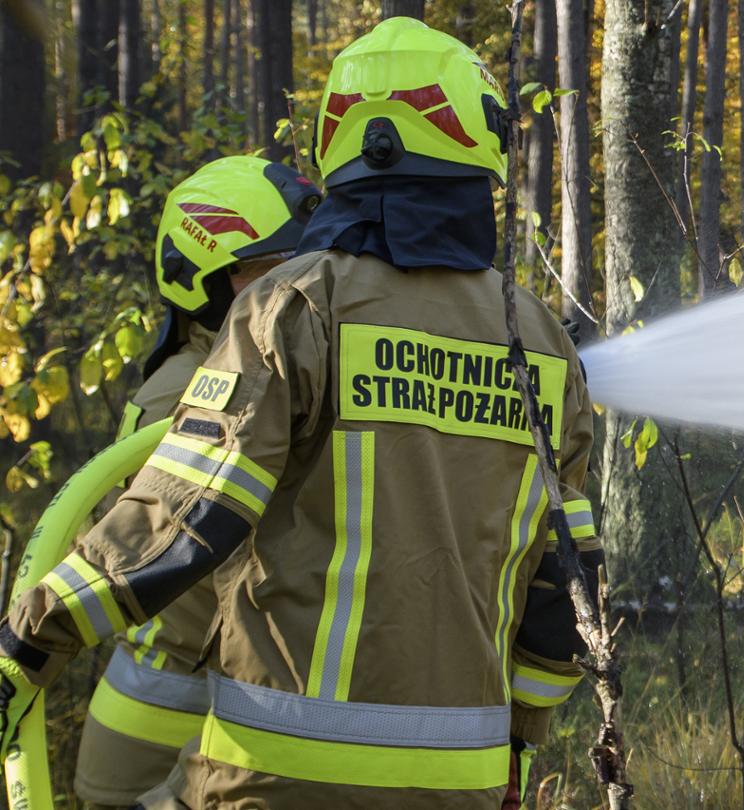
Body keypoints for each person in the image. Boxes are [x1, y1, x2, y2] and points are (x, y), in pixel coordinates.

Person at [0, 17, 601, 808]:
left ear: (351, 145)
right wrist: (522, 732)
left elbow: (186, 514)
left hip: (278, 779)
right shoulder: (543, 341)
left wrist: (29, 640)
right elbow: (567, 582)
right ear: (477, 151)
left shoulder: (295, 307)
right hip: (467, 784)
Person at [73, 156, 320, 809]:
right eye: (272, 272)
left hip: (208, 700)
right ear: (203, 282)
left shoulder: (255, 369)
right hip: (166, 718)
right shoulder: (192, 393)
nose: (301, 287)